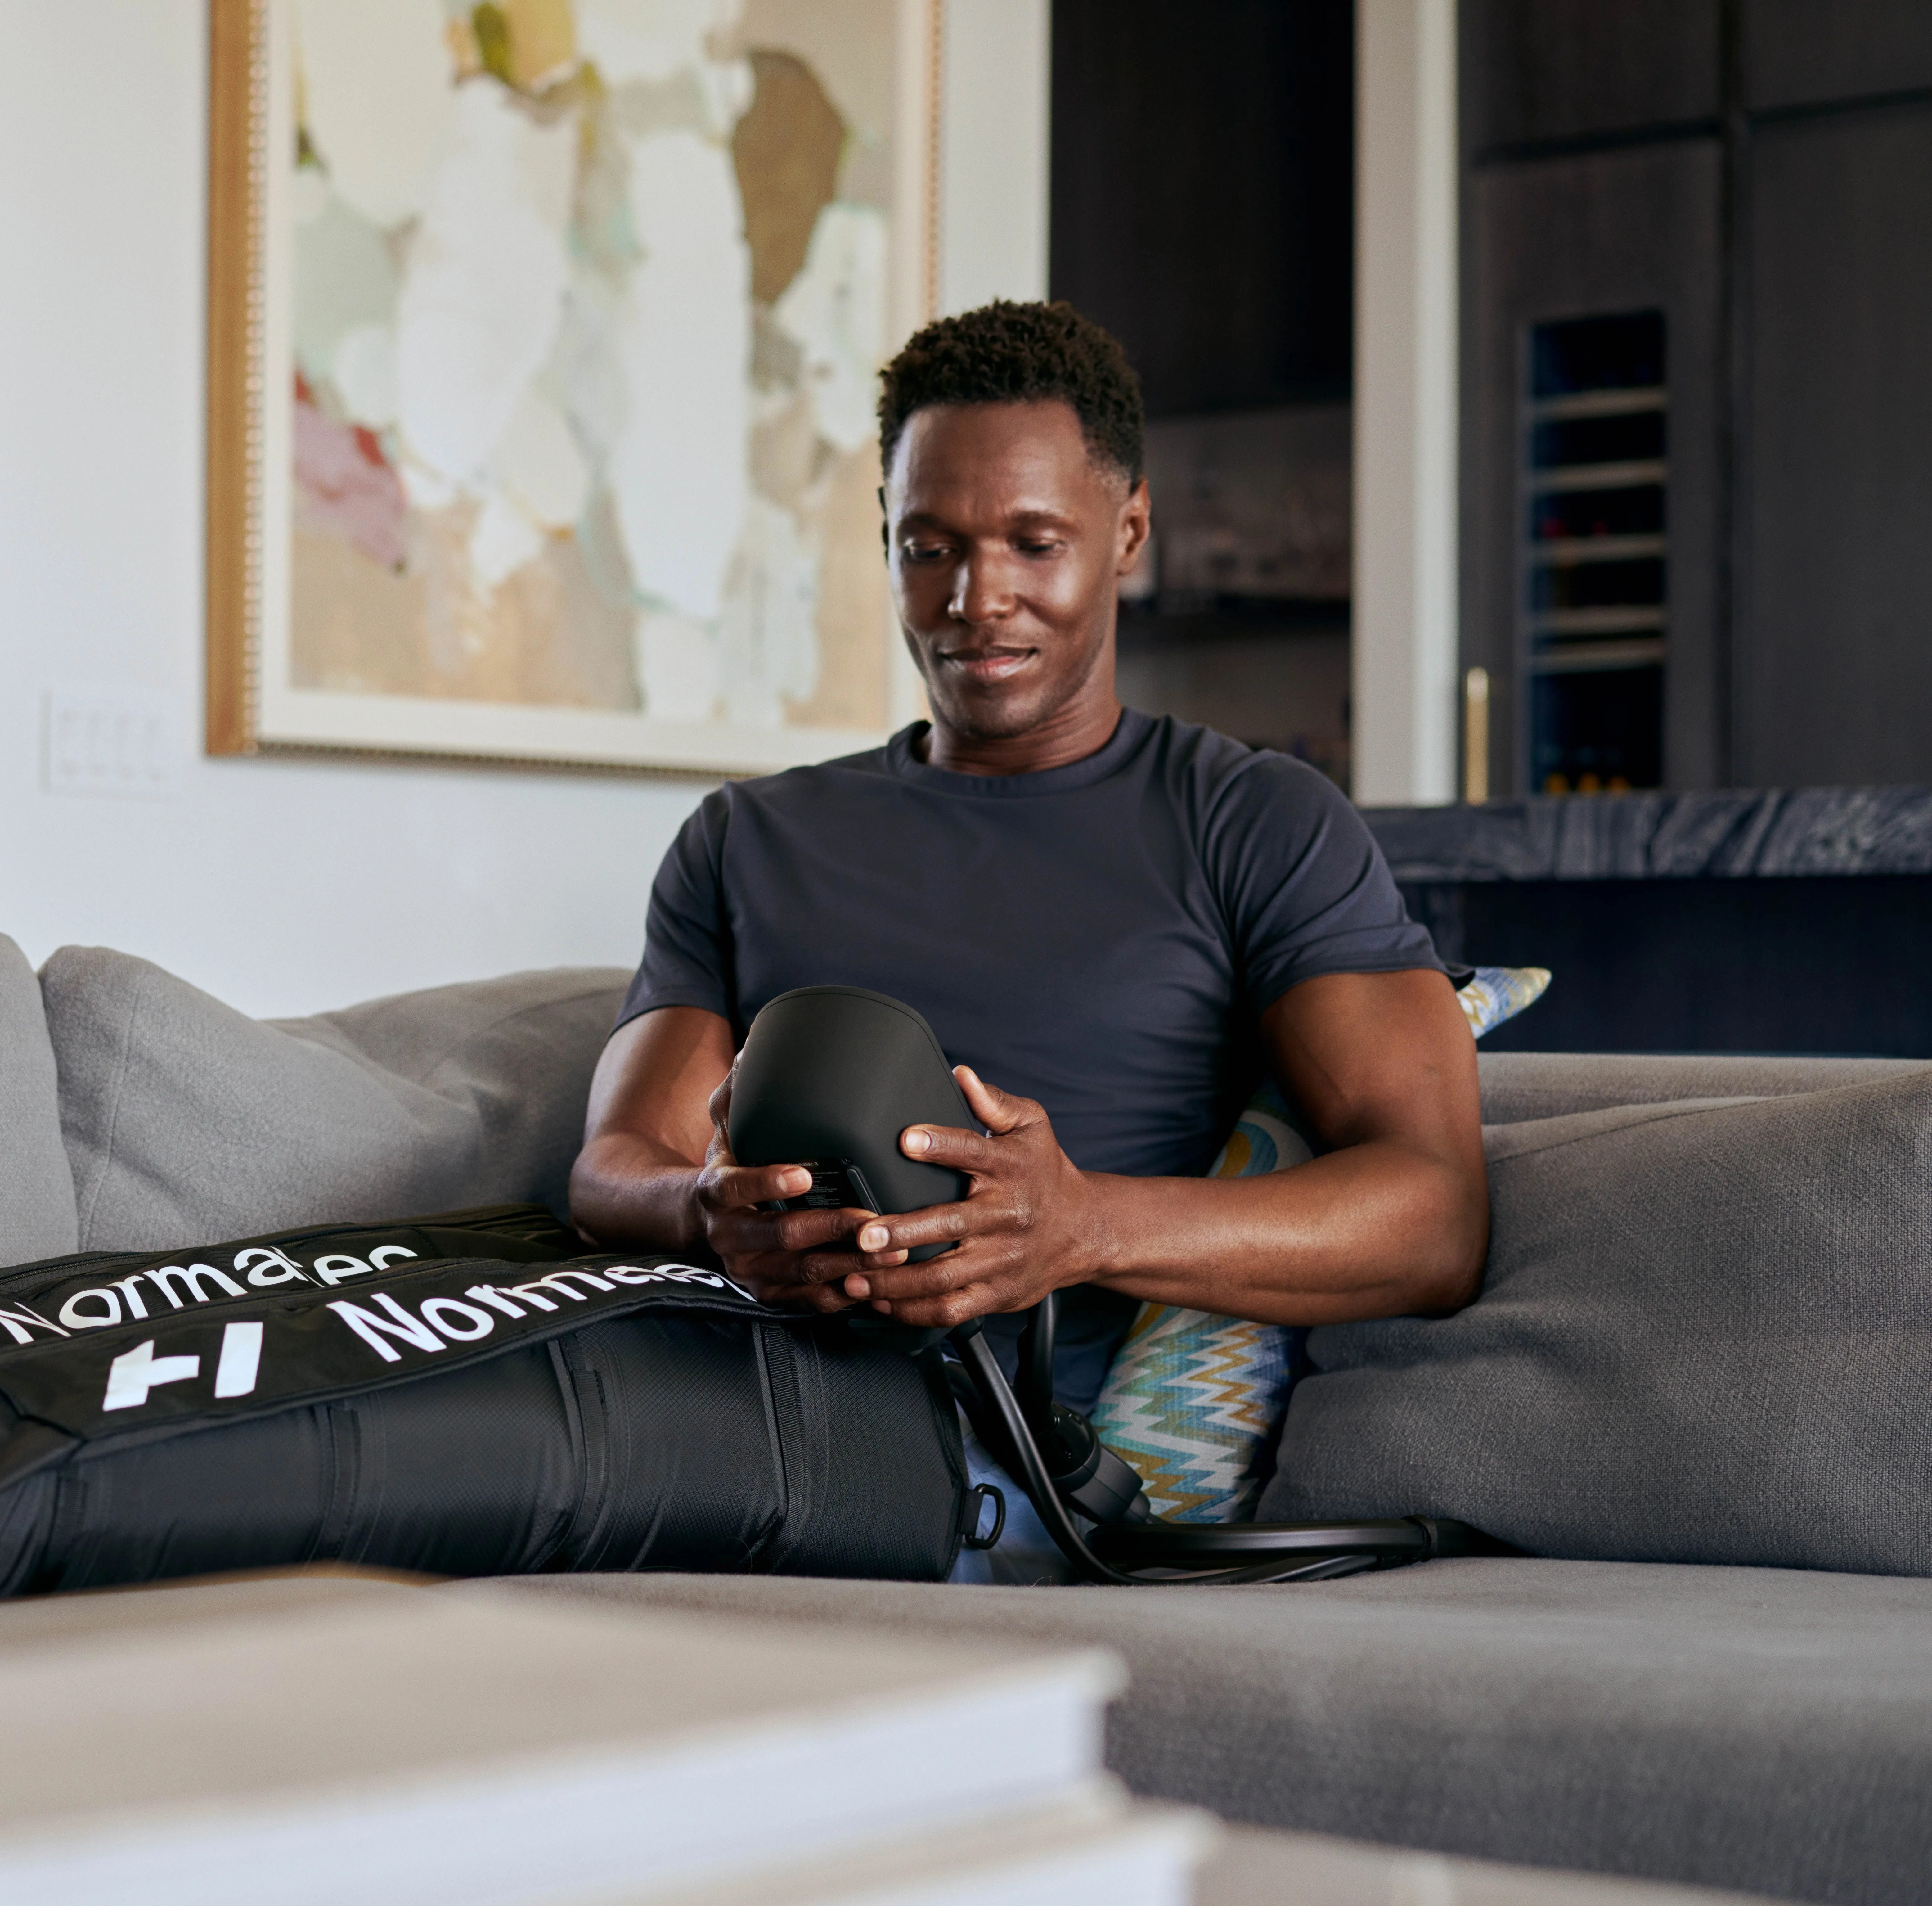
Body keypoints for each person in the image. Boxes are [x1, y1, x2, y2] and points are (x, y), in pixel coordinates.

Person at [569, 300, 1487, 1409]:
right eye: (931, 548)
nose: (975, 599)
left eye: (1034, 545)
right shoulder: (747, 839)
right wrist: (703, 1211)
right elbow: (615, 1165)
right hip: (742, 1415)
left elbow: (1435, 1220)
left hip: (1023, 1470)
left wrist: (1082, 1225)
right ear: (888, 536)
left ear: (1130, 535)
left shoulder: (1257, 822)